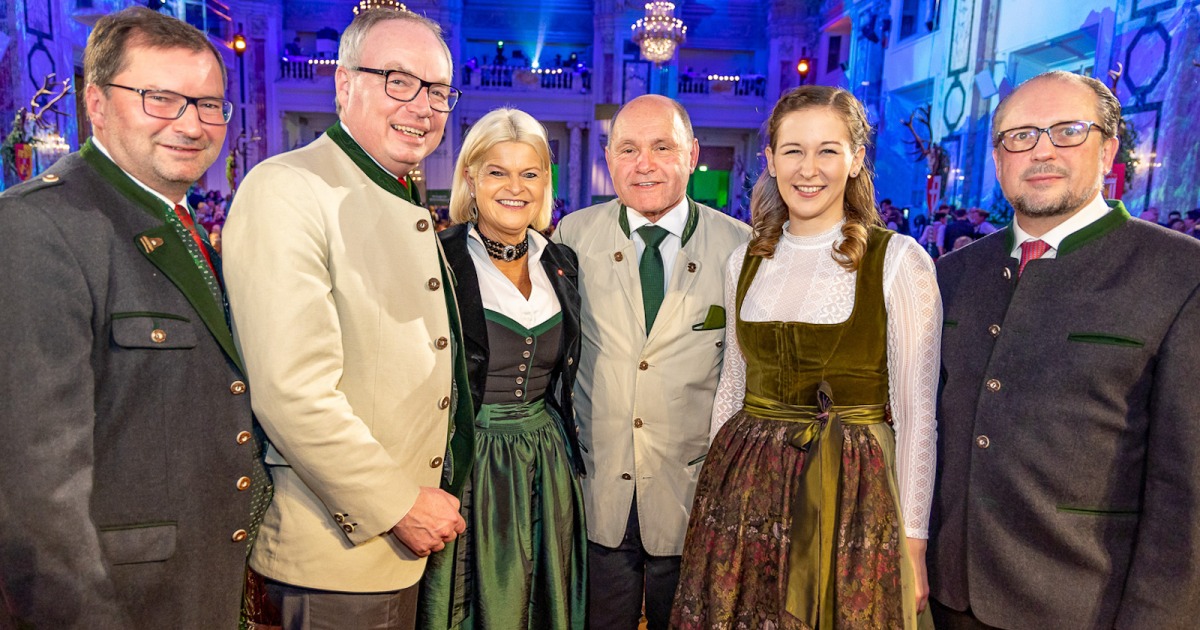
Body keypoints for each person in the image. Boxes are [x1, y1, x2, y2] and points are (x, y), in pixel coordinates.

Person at [0, 7, 265, 627]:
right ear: (95, 104)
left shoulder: (174, 221)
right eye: (159, 98)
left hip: (197, 584)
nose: (190, 124)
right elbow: (34, 487)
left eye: (208, 104)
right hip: (117, 602)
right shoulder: (37, 227)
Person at [222, 8, 470, 629]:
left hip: (396, 548)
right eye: (398, 80)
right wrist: (398, 504)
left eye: (438, 91)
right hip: (337, 552)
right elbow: (293, 391)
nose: (422, 106)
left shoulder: (395, 190)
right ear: (343, 83)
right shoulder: (288, 187)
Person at [930, 70, 1200, 629]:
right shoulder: (953, 274)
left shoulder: (1180, 274)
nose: (1042, 150)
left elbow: (1186, 493)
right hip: (948, 597)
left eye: (1068, 131)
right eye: (1020, 136)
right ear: (998, 160)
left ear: (1108, 150)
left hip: (1084, 607)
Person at [672, 85, 940, 629]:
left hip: (851, 492)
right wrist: (714, 497)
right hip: (746, 489)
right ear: (770, 160)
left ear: (856, 159)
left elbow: (917, 417)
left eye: (827, 150)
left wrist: (914, 541)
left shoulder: (898, 260)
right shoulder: (745, 259)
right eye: (793, 150)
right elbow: (733, 386)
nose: (808, 169)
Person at [553, 94, 751, 630]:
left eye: (662, 147)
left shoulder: (740, 248)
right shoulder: (572, 237)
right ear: (608, 158)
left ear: (693, 154)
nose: (644, 164)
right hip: (599, 491)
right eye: (628, 149)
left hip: (694, 497)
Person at [419, 107, 587, 630]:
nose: (515, 187)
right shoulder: (437, 258)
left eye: (529, 173)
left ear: (545, 183)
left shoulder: (560, 261)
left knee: (542, 602)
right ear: (471, 178)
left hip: (547, 461)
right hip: (469, 463)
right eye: (497, 172)